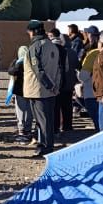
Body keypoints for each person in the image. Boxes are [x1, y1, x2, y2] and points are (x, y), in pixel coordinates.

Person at [22, 19, 61, 156]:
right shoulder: (52, 46)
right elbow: (58, 69)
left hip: (38, 90)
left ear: (33, 32)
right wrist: (55, 86)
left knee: (42, 121)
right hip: (50, 90)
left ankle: (45, 147)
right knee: (48, 120)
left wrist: (49, 85)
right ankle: (47, 144)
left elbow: (38, 70)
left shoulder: (35, 47)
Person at [8, 44, 33, 142]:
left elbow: (11, 71)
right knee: (29, 110)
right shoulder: (31, 61)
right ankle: (28, 128)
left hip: (20, 90)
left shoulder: (17, 62)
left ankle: (22, 129)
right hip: (30, 90)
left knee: (21, 110)